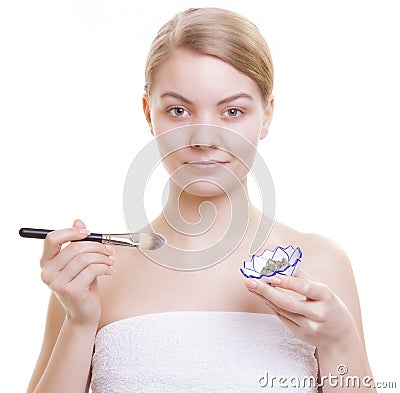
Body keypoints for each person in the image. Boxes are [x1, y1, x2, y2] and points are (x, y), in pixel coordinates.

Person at [27, 7, 375, 393]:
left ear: (267, 114)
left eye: (232, 111)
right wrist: (78, 322)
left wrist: (340, 341)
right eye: (179, 110)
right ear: (148, 113)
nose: (205, 138)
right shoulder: (91, 276)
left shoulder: (321, 264)